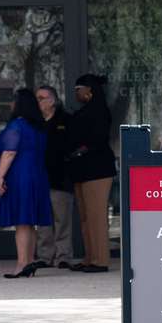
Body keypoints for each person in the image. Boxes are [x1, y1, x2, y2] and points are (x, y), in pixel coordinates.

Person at [0, 88, 53, 278]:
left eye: (13, 101)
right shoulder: (38, 127)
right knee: (29, 223)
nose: (11, 104)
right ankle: (30, 262)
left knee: (22, 222)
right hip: (37, 176)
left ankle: (22, 264)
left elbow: (9, 152)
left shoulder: (17, 125)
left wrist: (0, 177)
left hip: (20, 177)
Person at [68, 73, 117, 273]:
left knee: (97, 216)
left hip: (98, 170)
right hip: (82, 170)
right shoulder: (85, 110)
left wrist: (80, 150)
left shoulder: (100, 111)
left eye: (78, 89)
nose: (76, 93)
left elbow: (97, 139)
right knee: (86, 217)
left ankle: (101, 260)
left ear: (89, 89)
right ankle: (90, 257)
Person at [33, 85, 79, 271]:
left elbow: (72, 146)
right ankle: (45, 256)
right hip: (40, 179)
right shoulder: (35, 123)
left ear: (52, 101)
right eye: (37, 98)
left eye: (41, 98)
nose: (38, 102)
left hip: (61, 179)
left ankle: (63, 257)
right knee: (44, 222)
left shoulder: (65, 120)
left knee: (62, 221)